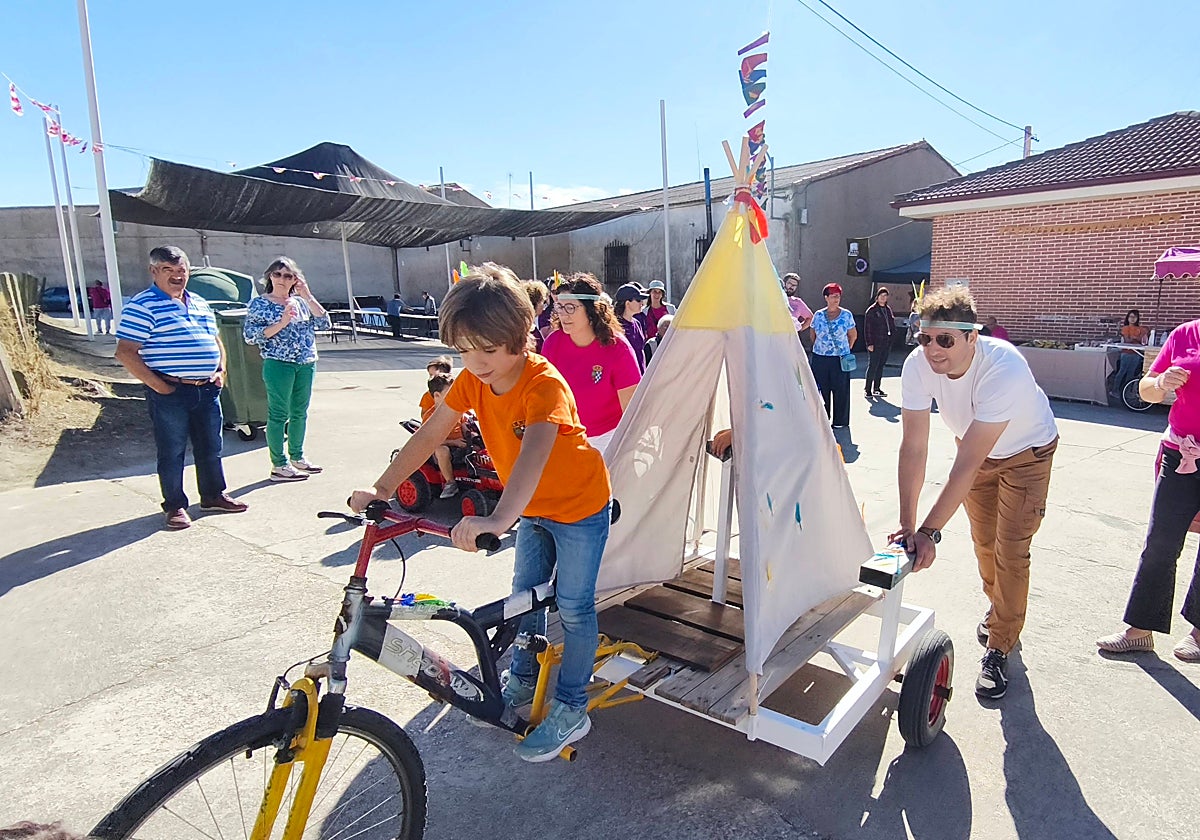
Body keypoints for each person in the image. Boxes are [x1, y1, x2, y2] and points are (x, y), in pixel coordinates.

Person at [350, 262, 612, 762]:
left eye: (488, 349)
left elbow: (533, 456)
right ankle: (522, 678)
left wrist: (497, 520)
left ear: (521, 335)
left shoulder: (544, 384)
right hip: (530, 508)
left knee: (575, 607)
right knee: (524, 599)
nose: (476, 362)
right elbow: (431, 431)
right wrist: (382, 487)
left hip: (579, 506)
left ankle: (572, 706)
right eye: (464, 350)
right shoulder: (473, 379)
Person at [892, 286, 1058, 700]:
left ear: (972, 336)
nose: (933, 349)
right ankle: (1000, 610)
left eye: (945, 340)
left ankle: (1000, 646)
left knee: (1010, 550)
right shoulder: (917, 365)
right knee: (985, 545)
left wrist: (929, 532)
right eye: (925, 338)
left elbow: (965, 465)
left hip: (1027, 455)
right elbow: (914, 446)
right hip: (978, 454)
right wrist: (907, 525)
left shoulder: (1004, 367)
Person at [114, 246, 248, 530]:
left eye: (181, 270)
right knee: (172, 451)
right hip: (171, 392)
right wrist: (159, 386)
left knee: (211, 446)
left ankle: (212, 495)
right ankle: (174, 505)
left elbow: (216, 339)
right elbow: (125, 352)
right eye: (168, 270)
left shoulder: (198, 302)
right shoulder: (142, 305)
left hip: (207, 390)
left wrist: (221, 370)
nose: (176, 276)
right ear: (154, 271)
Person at [1096, 318, 1200, 663]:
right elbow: (1146, 390)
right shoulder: (1186, 334)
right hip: (1180, 453)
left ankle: (1199, 632)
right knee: (1160, 542)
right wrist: (1161, 382)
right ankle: (1139, 630)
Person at [243, 257, 331, 482]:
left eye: (288, 275)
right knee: (278, 414)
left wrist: (307, 295)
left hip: (306, 362)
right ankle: (279, 464)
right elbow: (250, 336)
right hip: (278, 363)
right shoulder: (259, 304)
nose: (282, 279)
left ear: (295, 279)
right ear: (269, 277)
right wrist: (281, 323)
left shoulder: (301, 302)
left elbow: (324, 323)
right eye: (278, 274)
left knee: (299, 412)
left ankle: (297, 456)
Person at [542, 273, 641, 453]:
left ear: (591, 310)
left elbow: (631, 409)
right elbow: (547, 395)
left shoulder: (618, 348)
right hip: (567, 436)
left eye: (570, 307)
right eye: (559, 307)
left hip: (608, 438)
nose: (563, 314)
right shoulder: (553, 343)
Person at [810, 283, 858, 428]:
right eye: (833, 296)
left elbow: (853, 335)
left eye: (838, 296)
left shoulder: (846, 315)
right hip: (821, 358)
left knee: (841, 389)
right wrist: (823, 348)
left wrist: (844, 350)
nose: (836, 299)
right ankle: (823, 418)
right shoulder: (818, 315)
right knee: (821, 389)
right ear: (826, 297)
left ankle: (840, 420)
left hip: (840, 358)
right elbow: (813, 335)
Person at [423, 373, 469, 498]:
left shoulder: (456, 410)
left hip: (460, 443)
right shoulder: (431, 416)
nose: (455, 396)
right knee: (442, 451)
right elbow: (430, 441)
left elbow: (464, 426)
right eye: (450, 393)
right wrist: (454, 442)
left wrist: (472, 435)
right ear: (437, 396)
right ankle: (450, 482)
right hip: (441, 447)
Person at [1110, 308, 1150, 401]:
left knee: (1131, 373)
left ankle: (1127, 392)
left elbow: (1142, 340)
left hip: (1136, 353)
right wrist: (1136, 338)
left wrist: (1135, 338)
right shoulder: (1125, 328)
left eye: (1134, 317)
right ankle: (1114, 390)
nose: (1132, 319)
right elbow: (1127, 340)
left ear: (1137, 318)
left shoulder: (1140, 329)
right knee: (1122, 371)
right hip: (1126, 353)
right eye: (1131, 317)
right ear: (1127, 318)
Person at [863, 286, 895, 398]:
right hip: (875, 343)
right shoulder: (871, 310)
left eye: (885, 296)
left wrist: (892, 339)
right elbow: (867, 328)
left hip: (886, 342)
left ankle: (877, 388)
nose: (883, 298)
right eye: (881, 295)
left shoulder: (888, 310)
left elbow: (891, 324)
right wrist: (869, 343)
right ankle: (867, 389)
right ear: (877, 297)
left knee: (881, 366)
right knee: (873, 365)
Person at [613, 282, 649, 373]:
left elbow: (641, 351)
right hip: (625, 376)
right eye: (638, 300)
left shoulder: (637, 323)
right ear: (627, 303)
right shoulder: (615, 325)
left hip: (640, 375)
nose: (642, 303)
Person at [523, 280, 549, 353]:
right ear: (535, 302)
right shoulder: (527, 327)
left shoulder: (529, 324)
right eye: (543, 302)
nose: (544, 306)